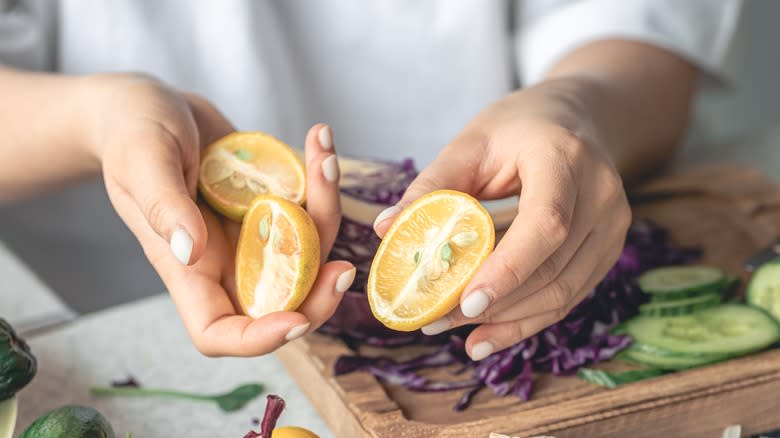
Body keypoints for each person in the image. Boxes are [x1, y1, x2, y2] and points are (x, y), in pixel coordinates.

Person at [0, 1, 742, 360]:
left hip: (517, 258)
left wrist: (575, 106)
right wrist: (101, 119)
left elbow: (644, 32)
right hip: (91, 322)